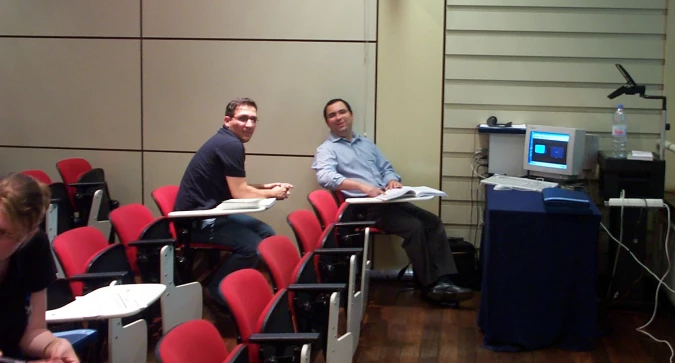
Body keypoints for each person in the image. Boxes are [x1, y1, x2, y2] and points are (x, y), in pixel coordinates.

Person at [312, 99, 472, 305]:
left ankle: (445, 280)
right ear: (327, 122)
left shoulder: (366, 144)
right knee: (414, 227)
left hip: (388, 200)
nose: (338, 118)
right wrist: (362, 186)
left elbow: (386, 167)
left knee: (432, 222)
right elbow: (325, 177)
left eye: (342, 112)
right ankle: (431, 286)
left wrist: (392, 180)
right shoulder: (327, 149)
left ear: (351, 115)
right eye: (332, 115)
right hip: (364, 207)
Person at [174, 97, 293, 310]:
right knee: (253, 248)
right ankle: (217, 291)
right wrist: (273, 194)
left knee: (266, 232)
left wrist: (267, 188)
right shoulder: (231, 144)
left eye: (254, 119)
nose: (249, 124)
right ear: (227, 120)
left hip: (213, 213)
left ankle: (241, 285)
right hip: (197, 222)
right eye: (243, 118)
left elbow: (236, 187)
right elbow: (239, 192)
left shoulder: (226, 140)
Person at [0, 173, 84, 363]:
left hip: (8, 362)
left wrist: (54, 346)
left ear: (26, 235)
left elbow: (34, 333)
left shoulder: (34, 247)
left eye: (2, 233)